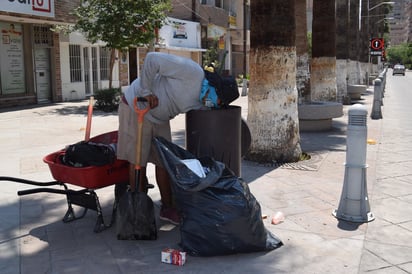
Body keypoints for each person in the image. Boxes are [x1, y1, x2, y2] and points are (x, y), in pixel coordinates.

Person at [117, 52, 211, 225]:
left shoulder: (204, 101)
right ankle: (139, 210)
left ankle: (167, 207)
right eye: (217, 99)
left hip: (160, 118)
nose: (214, 103)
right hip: (136, 105)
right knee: (138, 161)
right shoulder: (193, 72)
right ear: (214, 87)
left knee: (165, 162)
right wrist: (146, 91)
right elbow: (152, 58)